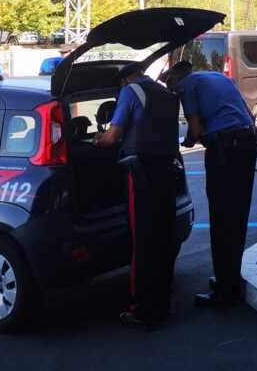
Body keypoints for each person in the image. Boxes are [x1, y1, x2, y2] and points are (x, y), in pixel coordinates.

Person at [163, 59, 257, 307]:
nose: (172, 91)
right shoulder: (219, 78)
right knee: (237, 215)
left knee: (221, 216)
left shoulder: (186, 87)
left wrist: (184, 143)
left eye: (169, 85)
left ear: (175, 79)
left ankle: (225, 294)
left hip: (225, 149)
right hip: (248, 143)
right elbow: (247, 113)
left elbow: (193, 130)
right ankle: (230, 280)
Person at [95, 63, 180, 331]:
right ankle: (162, 303)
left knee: (143, 241)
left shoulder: (131, 92)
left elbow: (113, 137)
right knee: (164, 238)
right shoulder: (166, 94)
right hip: (168, 170)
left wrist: (98, 138)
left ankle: (142, 310)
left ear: (124, 80)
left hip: (143, 173)